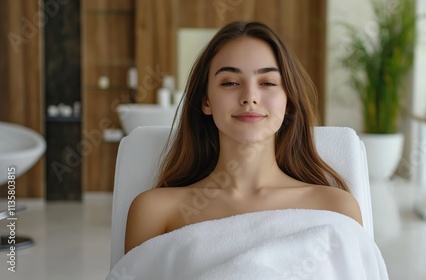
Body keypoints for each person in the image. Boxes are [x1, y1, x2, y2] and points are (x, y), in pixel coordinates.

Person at [124, 21, 362, 254]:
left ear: (288, 103)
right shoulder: (155, 210)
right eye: (230, 82)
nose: (250, 97)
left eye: (267, 82)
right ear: (205, 101)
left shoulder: (335, 207)